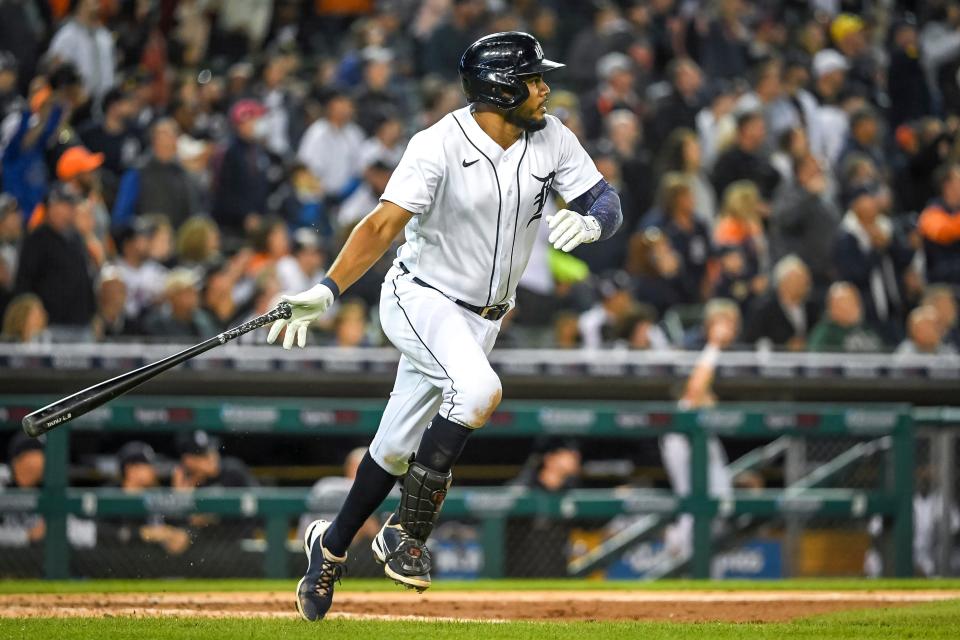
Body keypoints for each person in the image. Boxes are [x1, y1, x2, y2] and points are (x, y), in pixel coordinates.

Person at [268, 32, 622, 621]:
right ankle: (404, 533)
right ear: (501, 88)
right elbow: (382, 225)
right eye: (534, 79)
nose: (545, 88)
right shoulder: (436, 144)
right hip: (420, 297)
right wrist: (328, 289)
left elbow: (604, 201)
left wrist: (591, 226)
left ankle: (329, 547)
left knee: (395, 447)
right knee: (480, 391)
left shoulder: (552, 135)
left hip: (484, 318)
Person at [660, 305, 735, 559]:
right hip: (684, 443)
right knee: (695, 515)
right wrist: (714, 345)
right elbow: (696, 388)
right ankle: (677, 546)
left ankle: (678, 544)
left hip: (707, 518)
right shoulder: (687, 407)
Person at [14, 183, 96, 334]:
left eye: (72, 205)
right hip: (51, 326)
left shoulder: (76, 238)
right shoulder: (36, 240)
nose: (72, 210)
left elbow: (85, 277)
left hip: (81, 324)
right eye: (66, 205)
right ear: (52, 206)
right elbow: (24, 284)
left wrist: (93, 314)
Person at [744, 255, 817, 351]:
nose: (804, 284)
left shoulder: (813, 309)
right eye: (798, 280)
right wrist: (784, 347)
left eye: (805, 280)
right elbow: (751, 342)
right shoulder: (763, 310)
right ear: (782, 283)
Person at [807, 282, 884, 352]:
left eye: (853, 302)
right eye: (843, 304)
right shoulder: (824, 334)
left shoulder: (866, 327)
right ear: (831, 309)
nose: (850, 308)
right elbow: (816, 360)